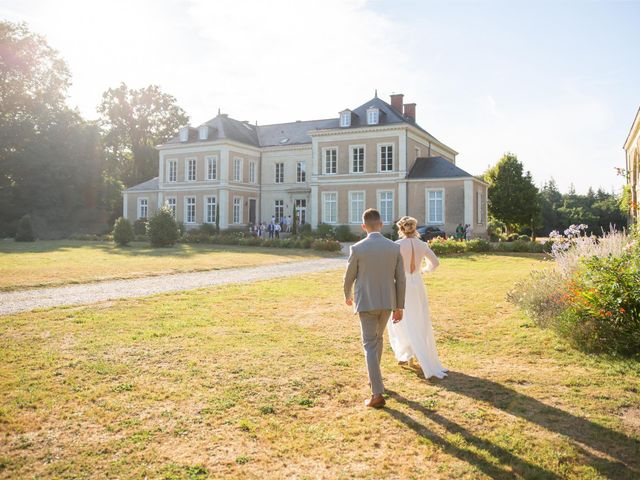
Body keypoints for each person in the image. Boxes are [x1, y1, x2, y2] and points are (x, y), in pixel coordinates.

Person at [343, 208, 406, 408]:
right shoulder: (394, 248)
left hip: (366, 302)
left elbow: (349, 276)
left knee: (370, 344)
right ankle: (375, 378)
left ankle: (377, 393)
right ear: (380, 224)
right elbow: (401, 280)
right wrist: (399, 306)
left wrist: (347, 295)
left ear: (364, 226)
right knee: (377, 340)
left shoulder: (357, 248)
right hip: (387, 302)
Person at [388, 216, 447, 380]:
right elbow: (435, 263)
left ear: (401, 229)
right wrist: (424, 270)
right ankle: (413, 353)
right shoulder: (422, 245)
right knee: (419, 318)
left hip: (401, 284)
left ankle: (407, 354)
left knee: (401, 319)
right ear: (415, 228)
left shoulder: (396, 245)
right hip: (417, 284)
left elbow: (390, 266)